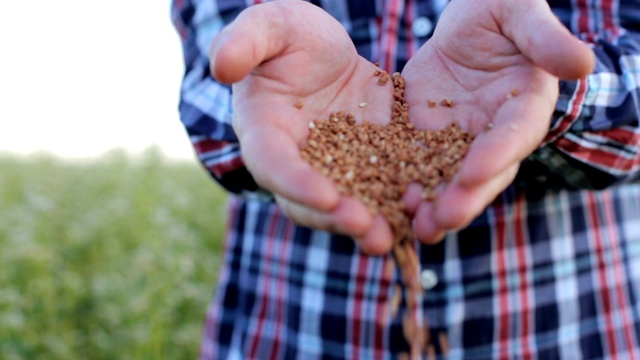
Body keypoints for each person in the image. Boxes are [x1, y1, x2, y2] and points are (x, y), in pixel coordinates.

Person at [171, 0, 640, 358]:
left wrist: (557, 86)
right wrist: (258, 80)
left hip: (571, 325)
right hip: (294, 326)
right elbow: (213, 80)